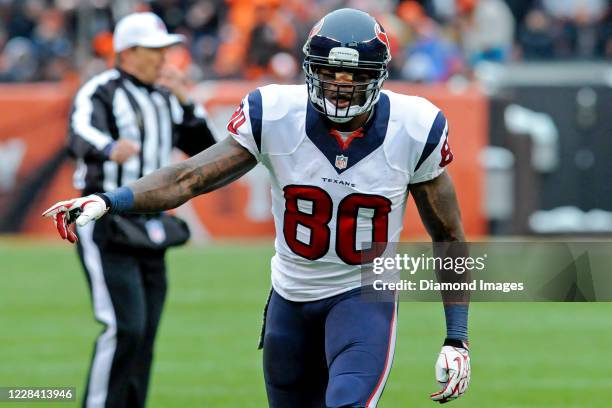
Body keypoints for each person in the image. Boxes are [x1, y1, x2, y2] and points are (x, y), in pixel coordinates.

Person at [45, 8, 470, 407]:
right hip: (291, 295)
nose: (340, 85)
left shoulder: (415, 127)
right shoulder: (275, 112)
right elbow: (189, 177)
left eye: (353, 75)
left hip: (362, 296)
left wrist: (457, 338)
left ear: (377, 77)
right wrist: (108, 199)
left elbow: (448, 236)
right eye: (327, 72)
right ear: (309, 70)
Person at [62, 12, 216, 408]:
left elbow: (206, 149)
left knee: (145, 331)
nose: (165, 58)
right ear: (128, 52)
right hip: (106, 219)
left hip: (152, 222)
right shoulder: (102, 89)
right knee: (124, 327)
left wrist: (186, 99)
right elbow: (80, 131)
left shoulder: (166, 96)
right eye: (156, 50)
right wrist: (109, 147)